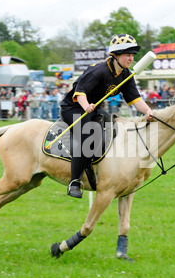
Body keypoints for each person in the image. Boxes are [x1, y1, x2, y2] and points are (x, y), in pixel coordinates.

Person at [59, 34, 153, 198]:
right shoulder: (98, 71)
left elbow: (135, 99)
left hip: (93, 107)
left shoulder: (126, 74)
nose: (131, 58)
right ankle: (75, 181)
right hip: (74, 106)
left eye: (132, 55)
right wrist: (86, 106)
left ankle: (102, 168)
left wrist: (148, 111)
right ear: (115, 55)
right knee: (88, 133)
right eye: (127, 54)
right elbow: (80, 93)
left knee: (113, 125)